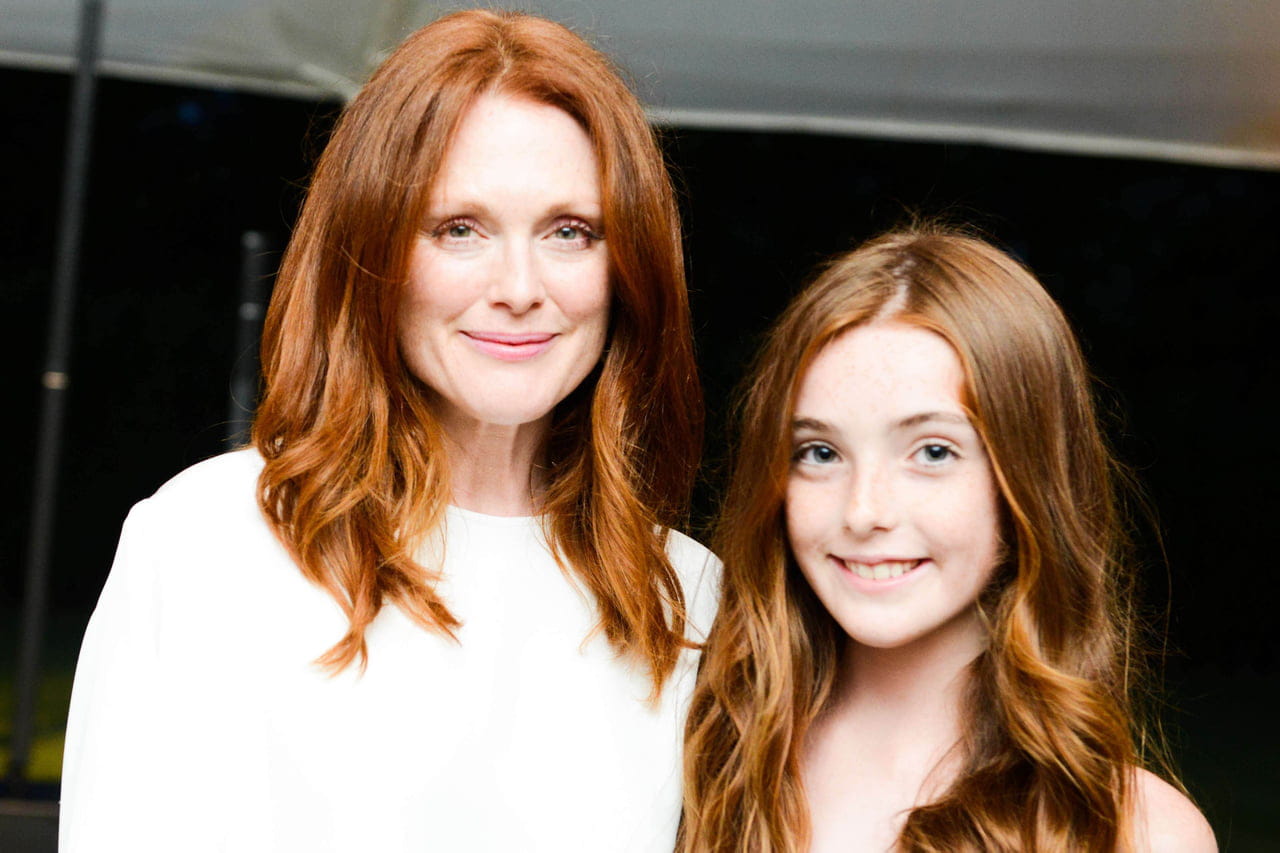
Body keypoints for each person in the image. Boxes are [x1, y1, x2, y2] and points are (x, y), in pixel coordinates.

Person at [60, 10, 718, 852]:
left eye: (570, 231)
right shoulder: (206, 540)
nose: (520, 287)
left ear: (629, 266)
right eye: (459, 228)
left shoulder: (687, 596)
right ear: (370, 250)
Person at [680, 227, 1215, 851]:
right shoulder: (690, 762)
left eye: (933, 451)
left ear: (1031, 477)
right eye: (821, 452)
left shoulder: (1132, 832)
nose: (864, 511)